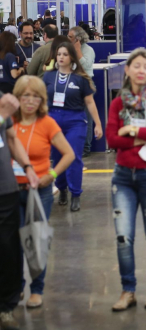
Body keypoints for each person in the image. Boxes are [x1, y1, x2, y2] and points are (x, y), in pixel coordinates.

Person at [106, 49, 146, 312]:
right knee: (124, 236)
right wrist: (144, 136)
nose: (142, 70)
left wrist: (131, 130)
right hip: (122, 176)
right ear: (128, 70)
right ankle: (128, 290)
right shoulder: (118, 103)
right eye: (137, 66)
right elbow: (112, 139)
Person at [12, 75, 74, 309]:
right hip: (10, 190)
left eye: (35, 96)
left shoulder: (47, 123)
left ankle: (36, 289)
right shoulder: (8, 122)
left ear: (42, 100)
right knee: (12, 242)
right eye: (25, 95)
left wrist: (53, 175)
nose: (29, 101)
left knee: (36, 240)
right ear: (17, 97)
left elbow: (68, 154)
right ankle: (16, 286)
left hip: (40, 191)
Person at [42, 42, 102, 211]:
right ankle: (62, 189)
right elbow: (40, 98)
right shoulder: (48, 76)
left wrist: (97, 124)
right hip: (52, 120)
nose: (61, 57)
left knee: (74, 156)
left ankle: (76, 193)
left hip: (75, 120)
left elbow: (89, 102)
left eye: (65, 54)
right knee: (57, 156)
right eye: (59, 54)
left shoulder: (80, 79)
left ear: (71, 58)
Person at [0, 89, 33, 330]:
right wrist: (2, 115)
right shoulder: (4, 108)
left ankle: (6, 308)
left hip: (6, 189)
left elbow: (11, 138)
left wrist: (27, 166)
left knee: (9, 250)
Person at [68, 26, 96, 157]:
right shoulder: (69, 50)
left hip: (85, 84)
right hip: (73, 84)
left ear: (77, 39)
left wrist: (78, 51)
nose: (68, 39)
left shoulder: (88, 50)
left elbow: (86, 65)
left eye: (70, 37)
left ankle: (86, 147)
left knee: (86, 117)